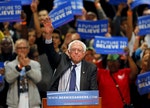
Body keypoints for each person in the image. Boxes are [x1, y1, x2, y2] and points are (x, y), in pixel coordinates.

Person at [41, 18, 98, 91]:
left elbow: (93, 91)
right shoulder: (61, 61)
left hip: (81, 102)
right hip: (60, 101)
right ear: (69, 52)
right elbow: (50, 53)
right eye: (73, 50)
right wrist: (48, 35)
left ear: (84, 54)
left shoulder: (90, 68)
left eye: (79, 50)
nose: (76, 52)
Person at [5, 39, 41, 108]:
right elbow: (8, 79)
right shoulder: (10, 65)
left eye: (24, 48)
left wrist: (27, 67)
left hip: (32, 101)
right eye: (19, 48)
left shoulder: (35, 64)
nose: (22, 50)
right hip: (14, 102)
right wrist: (19, 66)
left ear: (28, 50)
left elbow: (38, 79)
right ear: (15, 50)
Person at [0, 36, 16, 108]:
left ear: (12, 45)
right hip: (1, 92)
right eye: (3, 44)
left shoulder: (16, 57)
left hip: (14, 90)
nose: (6, 46)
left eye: (8, 44)